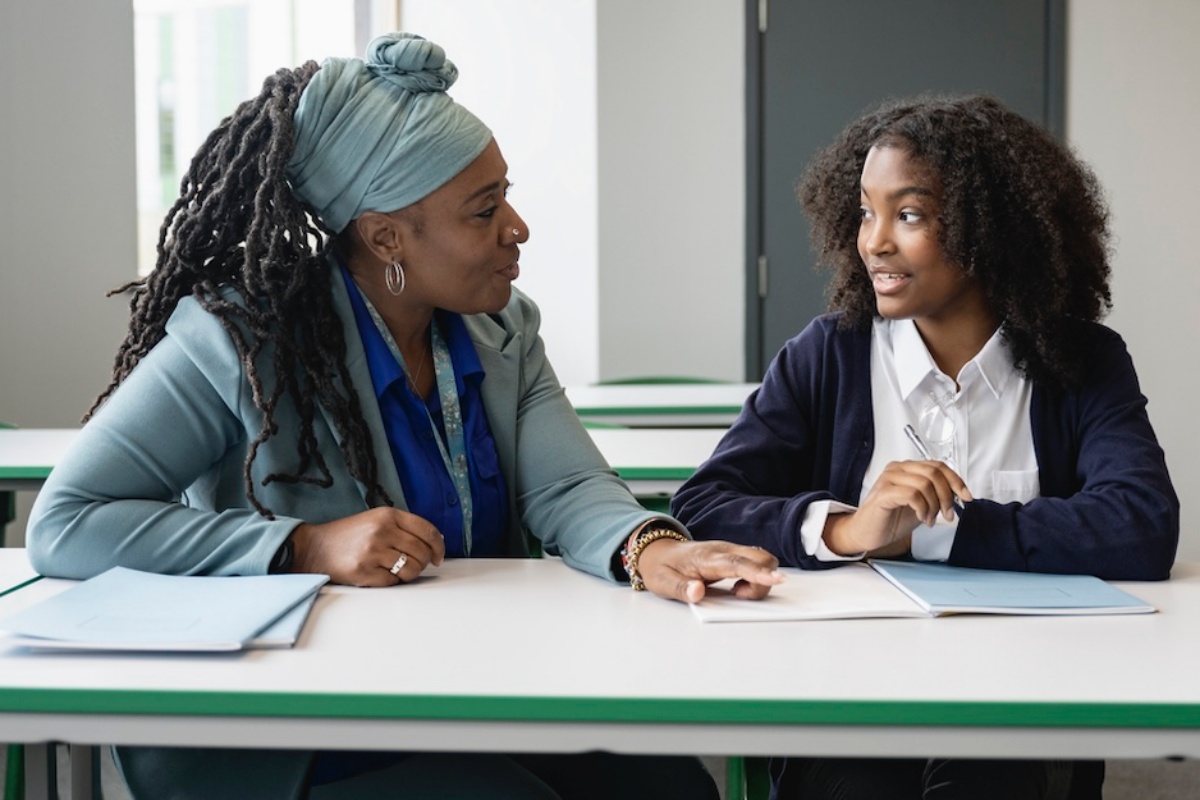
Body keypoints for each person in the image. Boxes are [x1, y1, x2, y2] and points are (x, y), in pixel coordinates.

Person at [26, 32, 783, 800]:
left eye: (505, 196)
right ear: (386, 235)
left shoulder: (501, 328)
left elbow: (568, 489)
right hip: (292, 728)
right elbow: (68, 521)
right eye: (483, 211)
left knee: (672, 790)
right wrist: (305, 545)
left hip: (468, 686)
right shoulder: (240, 338)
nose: (516, 228)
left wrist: (646, 547)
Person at [670, 94, 1179, 800]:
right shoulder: (829, 355)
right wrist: (850, 528)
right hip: (849, 697)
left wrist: (930, 538)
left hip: (1028, 699)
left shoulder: (1083, 361)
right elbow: (701, 507)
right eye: (865, 212)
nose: (874, 240)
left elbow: (1141, 525)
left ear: (988, 230)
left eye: (908, 215)